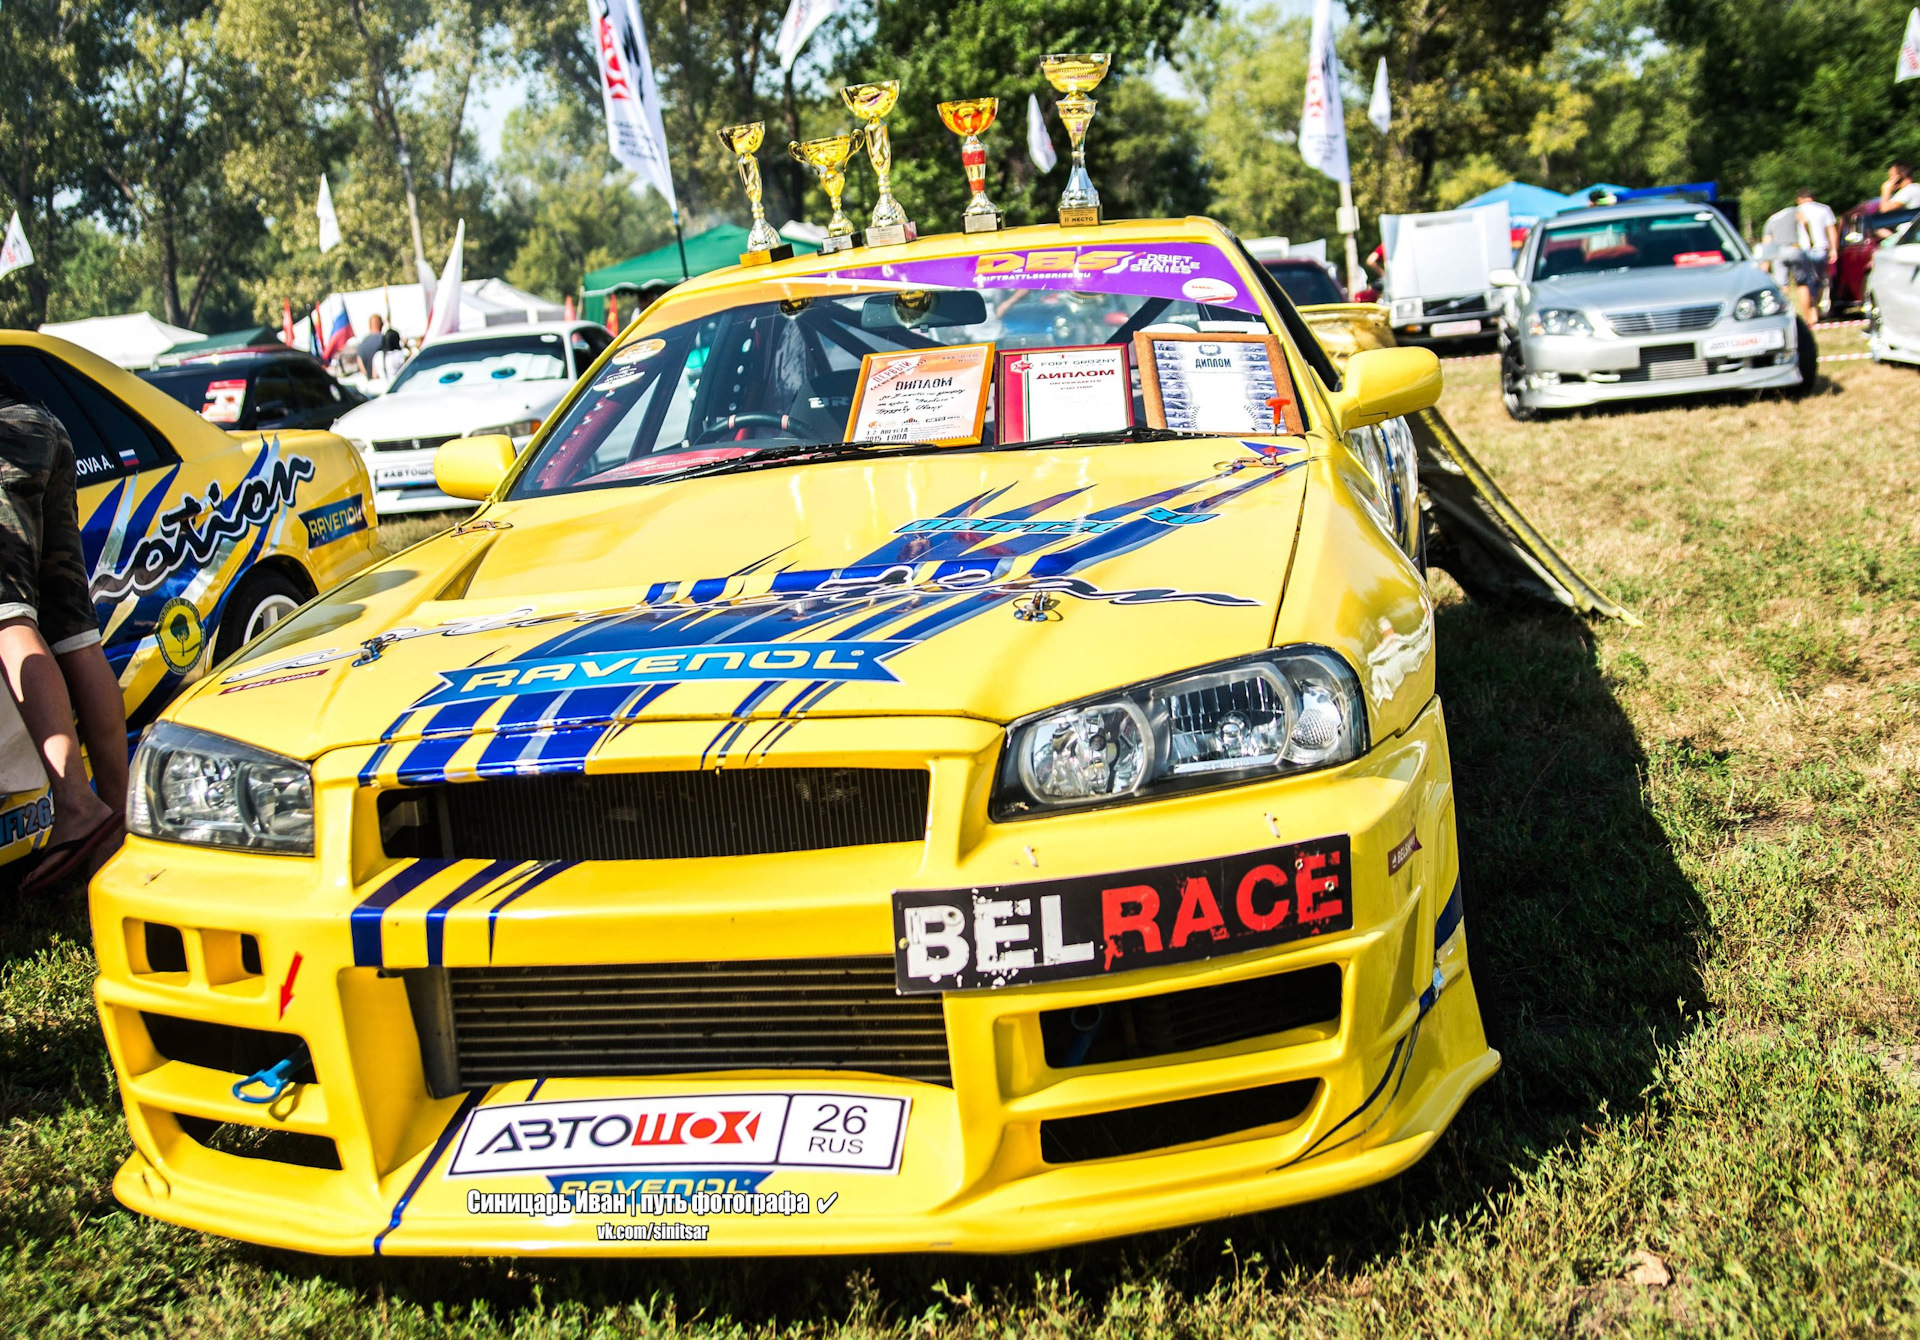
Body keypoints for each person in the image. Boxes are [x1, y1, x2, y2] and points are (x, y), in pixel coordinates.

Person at [0, 374, 127, 895]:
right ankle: (115, 823)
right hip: (39, 423)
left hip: (4, 441)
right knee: (75, 634)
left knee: (7, 619)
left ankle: (76, 803)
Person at [1793, 187, 1839, 321]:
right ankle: (1816, 309)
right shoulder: (1824, 209)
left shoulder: (1796, 211)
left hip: (1802, 250)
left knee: (1805, 282)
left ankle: (1810, 313)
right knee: (1818, 280)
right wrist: (1834, 250)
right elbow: (1832, 231)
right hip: (1820, 249)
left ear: (1799, 199)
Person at [353, 314, 401, 381]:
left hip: (372, 384)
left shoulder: (361, 345)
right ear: (381, 324)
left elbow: (360, 364)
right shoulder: (385, 340)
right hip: (389, 381)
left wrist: (369, 379)